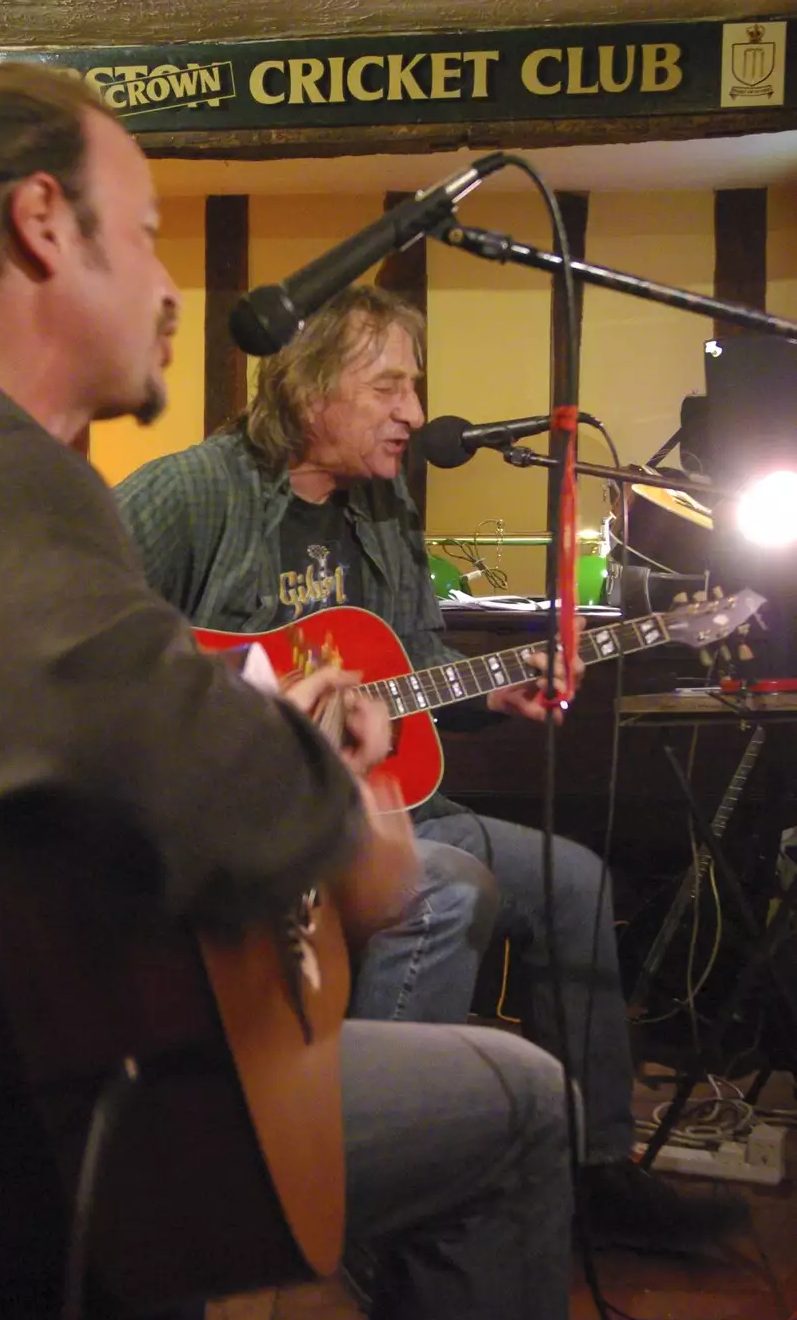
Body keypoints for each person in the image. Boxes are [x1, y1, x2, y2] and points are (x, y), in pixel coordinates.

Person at [0, 65, 573, 1320]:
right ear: (42, 225)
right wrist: (345, 825)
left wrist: (255, 733)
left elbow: (46, 745)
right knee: (517, 1104)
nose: (173, 290)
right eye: (144, 233)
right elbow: (252, 835)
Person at [116, 281, 748, 1254]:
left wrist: (490, 692)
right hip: (245, 825)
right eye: (389, 387)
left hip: (381, 806)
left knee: (573, 880)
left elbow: (408, 673)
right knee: (437, 890)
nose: (413, 413)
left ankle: (594, 1169)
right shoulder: (195, 491)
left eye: (414, 388)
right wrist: (234, 717)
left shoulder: (382, 511)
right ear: (311, 383)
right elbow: (82, 642)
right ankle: (374, 1198)